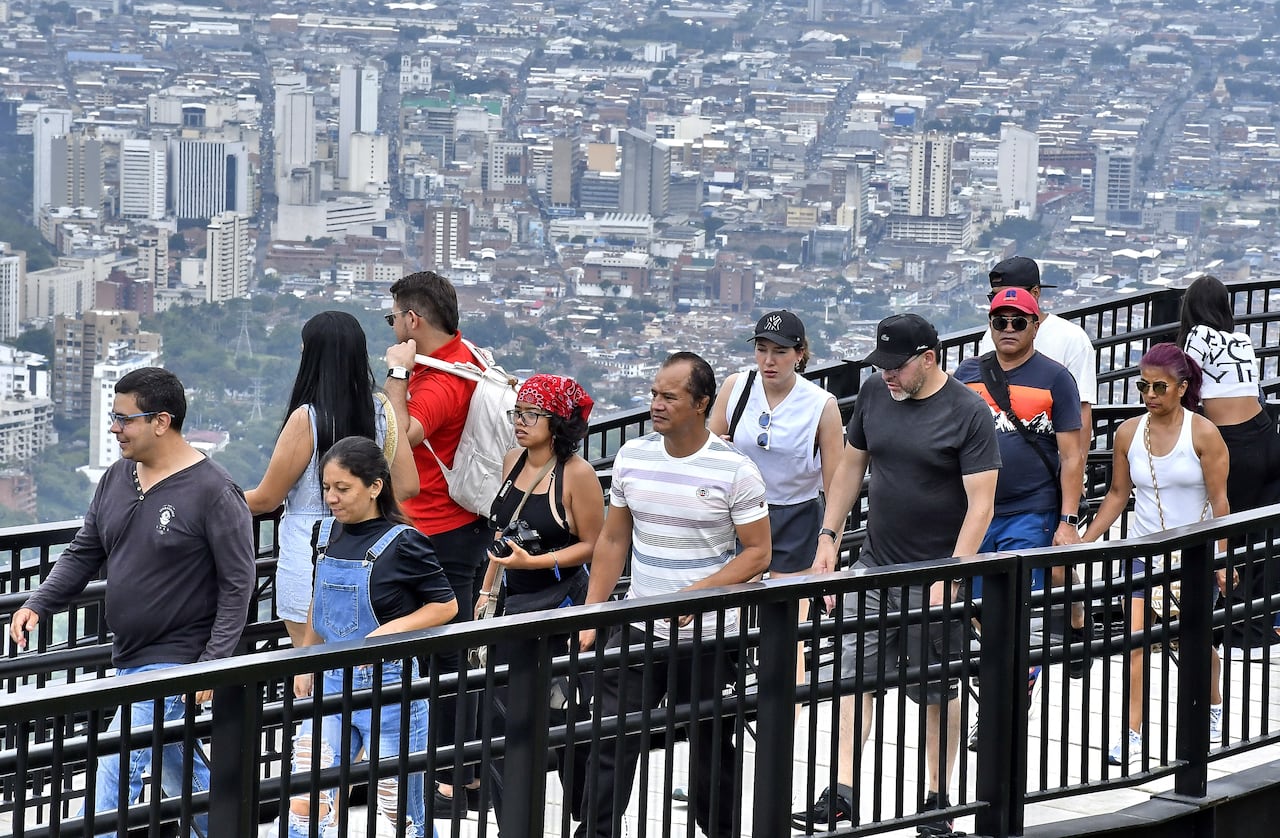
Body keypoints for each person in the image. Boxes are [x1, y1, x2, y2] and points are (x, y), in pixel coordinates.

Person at [7, 367, 256, 838]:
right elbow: (86, 549)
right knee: (172, 764)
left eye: (125, 419)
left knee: (115, 759)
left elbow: (238, 584)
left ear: (161, 421)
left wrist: (212, 664)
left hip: (178, 658)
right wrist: (38, 603)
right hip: (130, 654)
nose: (114, 428)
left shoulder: (214, 492)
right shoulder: (118, 477)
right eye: (114, 418)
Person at [795, 314, 1000, 836]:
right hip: (874, 567)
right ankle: (840, 794)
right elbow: (851, 467)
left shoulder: (968, 413)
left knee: (938, 691)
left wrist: (952, 574)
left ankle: (936, 801)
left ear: (929, 358)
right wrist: (828, 538)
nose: (886, 374)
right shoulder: (872, 394)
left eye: (896, 365)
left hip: (935, 574)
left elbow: (982, 506)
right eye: (880, 364)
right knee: (852, 679)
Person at [575, 352, 771, 838]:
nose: (655, 405)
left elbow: (757, 553)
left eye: (669, 396)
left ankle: (718, 830)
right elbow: (614, 540)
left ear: (701, 403)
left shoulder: (735, 471)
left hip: (710, 635)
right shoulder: (632, 457)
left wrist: (694, 596)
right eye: (653, 394)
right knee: (611, 738)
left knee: (710, 745)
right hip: (640, 626)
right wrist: (592, 613)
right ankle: (595, 833)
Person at [281, 436, 456, 838]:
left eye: (343, 488)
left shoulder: (405, 542)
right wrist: (305, 657)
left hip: (391, 684)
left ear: (375, 486)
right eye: (327, 488)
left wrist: (390, 630)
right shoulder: (324, 535)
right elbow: (318, 599)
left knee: (400, 810)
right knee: (305, 796)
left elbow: (445, 606)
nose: (332, 498)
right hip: (330, 676)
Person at [1081, 343, 1231, 764]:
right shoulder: (1129, 433)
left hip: (1194, 556)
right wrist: (1086, 540)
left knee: (1195, 644)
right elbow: (1116, 495)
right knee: (1136, 644)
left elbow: (1221, 504)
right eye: (1142, 386)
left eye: (1159, 387)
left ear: (1182, 388)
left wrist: (1221, 560)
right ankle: (1132, 734)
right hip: (1145, 554)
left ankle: (1212, 707)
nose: (1149, 394)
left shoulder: (1203, 434)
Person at [955, 287, 1083, 748]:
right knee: (976, 609)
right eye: (1000, 321)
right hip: (975, 513)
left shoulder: (1056, 377)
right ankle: (1009, 683)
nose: (1008, 329)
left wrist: (1068, 519)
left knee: (1017, 610)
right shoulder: (967, 373)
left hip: (1031, 510)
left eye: (1018, 321)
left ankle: (1000, 703)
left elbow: (1072, 455)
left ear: (1035, 325)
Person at [383, 270, 492, 809]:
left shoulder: (442, 379)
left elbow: (398, 438)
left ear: (413, 320)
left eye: (393, 318)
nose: (393, 328)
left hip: (438, 530)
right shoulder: (464, 355)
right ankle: (455, 771)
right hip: (450, 527)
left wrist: (396, 375)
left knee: (441, 658)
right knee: (445, 653)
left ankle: (451, 779)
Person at [245, 310, 417, 649]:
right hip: (367, 559)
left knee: (311, 676)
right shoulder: (381, 411)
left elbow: (267, 499)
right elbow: (409, 485)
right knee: (354, 677)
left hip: (309, 561)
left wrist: (212, 500)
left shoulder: (307, 418)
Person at [478, 374, 604, 827]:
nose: (521, 423)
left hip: (561, 602)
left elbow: (595, 542)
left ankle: (583, 812)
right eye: (519, 413)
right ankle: (509, 818)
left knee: (567, 716)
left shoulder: (576, 474)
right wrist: (489, 586)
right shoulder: (514, 461)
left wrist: (535, 563)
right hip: (514, 604)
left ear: (557, 423)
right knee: (500, 715)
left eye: (533, 415)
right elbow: (501, 531)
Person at [981, 255, 1097, 671]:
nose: (1007, 325)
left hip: (1040, 492)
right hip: (986, 504)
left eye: (1017, 319)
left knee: (1043, 577)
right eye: (998, 312)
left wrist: (1073, 488)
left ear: (1034, 301)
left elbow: (1081, 414)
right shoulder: (981, 353)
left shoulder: (1069, 343)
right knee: (1000, 591)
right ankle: (1017, 662)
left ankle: (1064, 634)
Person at [1177, 274, 1280, 652]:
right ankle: (1259, 624)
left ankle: (1230, 626)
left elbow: (1184, 389)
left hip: (1233, 443)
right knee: (1262, 536)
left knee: (1227, 534)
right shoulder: (1243, 340)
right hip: (1268, 436)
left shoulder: (1197, 337)